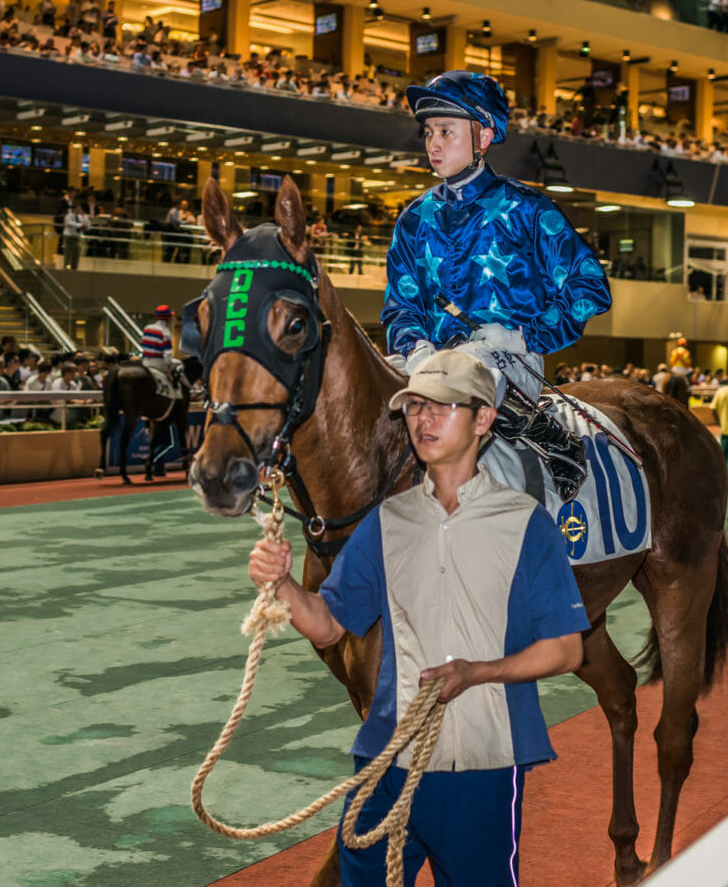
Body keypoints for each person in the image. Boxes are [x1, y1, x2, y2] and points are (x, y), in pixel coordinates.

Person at [245, 350, 587, 884]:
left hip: (482, 765)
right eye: (414, 407)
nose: (423, 420)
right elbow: (330, 624)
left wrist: (478, 672)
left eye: (443, 406)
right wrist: (282, 583)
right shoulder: (387, 521)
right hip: (385, 761)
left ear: (484, 419)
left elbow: (566, 650)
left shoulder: (529, 525)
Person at [383, 71, 611, 502]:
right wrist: (415, 347)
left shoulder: (530, 209)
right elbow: (400, 305)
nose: (433, 143)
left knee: (464, 369)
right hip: (427, 362)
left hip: (508, 359)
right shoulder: (413, 218)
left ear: (483, 136)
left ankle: (553, 441)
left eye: (447, 131)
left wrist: (524, 334)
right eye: (429, 132)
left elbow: (590, 287)